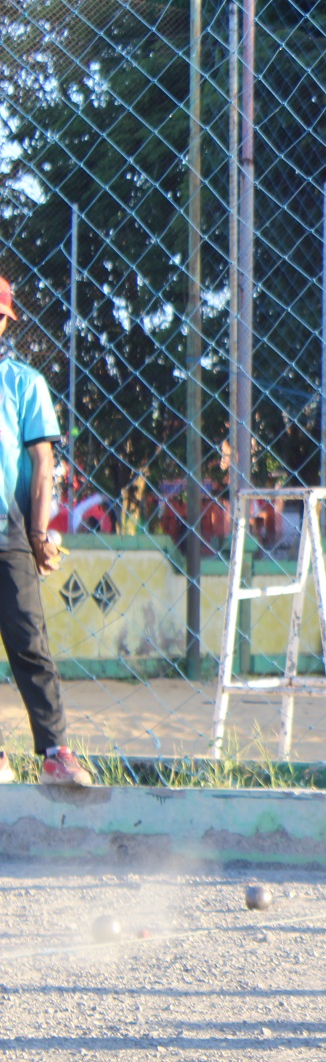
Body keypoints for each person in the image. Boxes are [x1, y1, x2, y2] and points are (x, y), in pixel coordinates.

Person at [0, 277, 92, 788]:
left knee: (29, 641)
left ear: (6, 322)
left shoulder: (23, 383)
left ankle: (55, 751)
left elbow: (41, 464)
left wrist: (39, 533)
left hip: (9, 532)